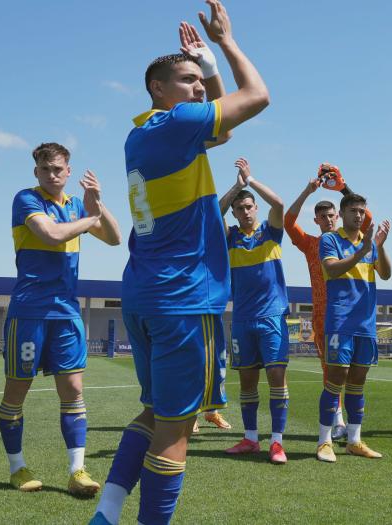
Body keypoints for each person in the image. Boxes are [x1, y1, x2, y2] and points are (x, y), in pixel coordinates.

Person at [92, 1, 270, 522]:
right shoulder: (177, 125)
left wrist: (208, 69)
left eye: (200, 81)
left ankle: (106, 512)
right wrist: (227, 46)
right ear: (158, 89)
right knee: (178, 427)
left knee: (154, 413)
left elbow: (225, 131)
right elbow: (258, 97)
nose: (197, 88)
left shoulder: (144, 133)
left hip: (146, 294)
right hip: (184, 299)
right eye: (187, 80)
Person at [0, 142, 121, 496]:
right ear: (36, 171)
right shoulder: (26, 200)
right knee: (16, 393)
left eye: (58, 169)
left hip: (66, 312)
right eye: (45, 169)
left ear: (69, 172)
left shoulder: (77, 205)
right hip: (29, 312)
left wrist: (97, 202)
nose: (52, 175)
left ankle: (77, 470)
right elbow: (51, 235)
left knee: (74, 391)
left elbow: (113, 238)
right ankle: (17, 467)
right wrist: (88, 219)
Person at [283, 163, 373, 439]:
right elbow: (287, 222)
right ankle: (337, 421)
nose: (329, 220)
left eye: (333, 215)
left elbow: (365, 217)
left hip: (354, 314)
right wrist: (308, 191)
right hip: (324, 315)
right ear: (317, 221)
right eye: (323, 217)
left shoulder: (351, 240)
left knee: (355, 373)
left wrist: (343, 186)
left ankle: (349, 428)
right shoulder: (312, 244)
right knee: (331, 371)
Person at [218, 158, 290, 464]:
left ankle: (276, 442)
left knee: (276, 376)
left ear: (255, 209)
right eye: (240, 208)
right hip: (243, 319)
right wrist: (236, 186)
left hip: (272, 315)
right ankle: (250, 438)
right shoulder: (230, 237)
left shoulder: (271, 232)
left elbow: (279, 203)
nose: (246, 212)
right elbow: (211, 212)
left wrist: (251, 181)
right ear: (234, 213)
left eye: (249, 207)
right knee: (247, 381)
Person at [315, 194, 392, 463]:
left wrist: (379, 247)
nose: (358, 215)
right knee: (337, 377)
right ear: (342, 214)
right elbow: (332, 270)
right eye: (353, 211)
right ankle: (324, 441)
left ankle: (354, 441)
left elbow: (386, 274)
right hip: (340, 321)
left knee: (358, 381)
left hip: (365, 324)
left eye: (362, 211)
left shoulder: (369, 244)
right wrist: (361, 251)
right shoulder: (330, 239)